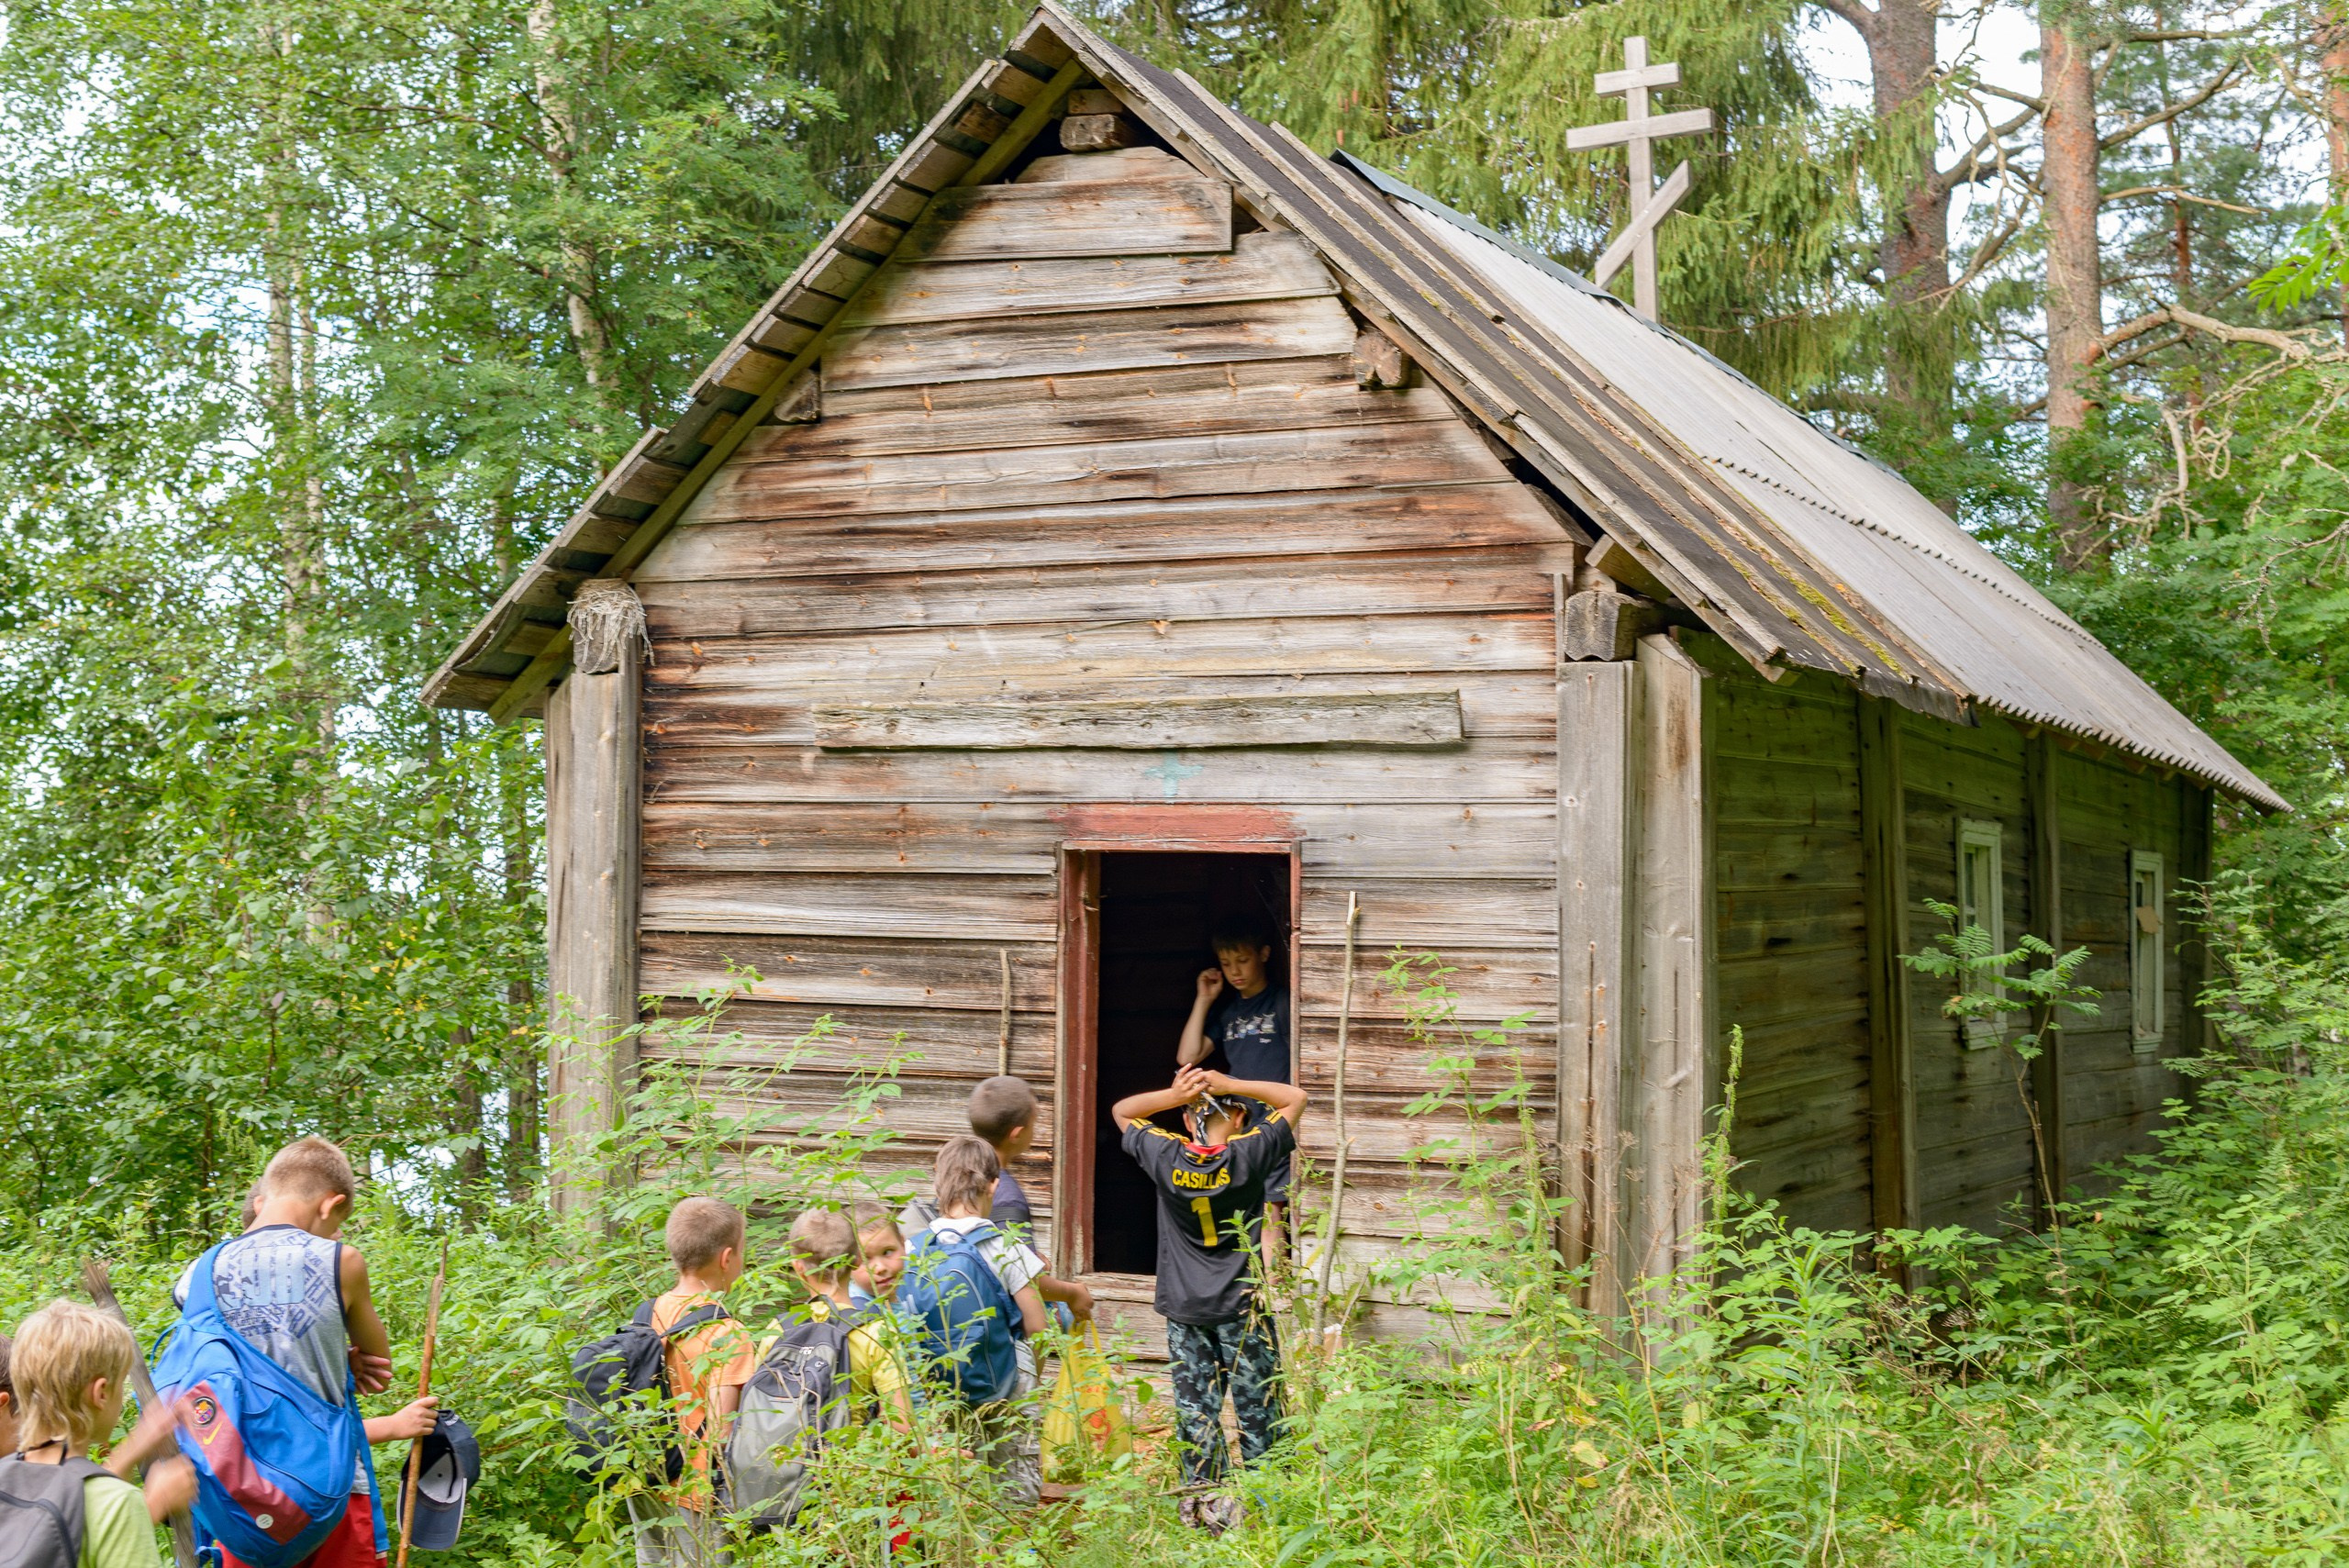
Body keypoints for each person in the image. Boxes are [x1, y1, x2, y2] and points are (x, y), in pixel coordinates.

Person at [169, 1137, 410, 1568]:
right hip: (329, 1487)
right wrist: (343, 1361)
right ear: (329, 1204)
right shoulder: (341, 1261)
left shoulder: (199, 1271)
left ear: (262, 1199)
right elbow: (378, 1366)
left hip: (238, 1488)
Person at [1112, 1064, 1306, 1534]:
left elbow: (1122, 1111)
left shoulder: (1166, 1154)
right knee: (1259, 1408)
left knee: (1196, 1413)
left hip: (1185, 1308)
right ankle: (1270, 1510)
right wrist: (1232, 1085)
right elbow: (1295, 1099)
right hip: (1242, 1308)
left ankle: (1204, 1513)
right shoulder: (1249, 1154)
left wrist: (1176, 1092)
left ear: (1184, 1120)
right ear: (1239, 1119)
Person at [6, 1300, 195, 1568]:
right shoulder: (118, 1506)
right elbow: (96, 1511)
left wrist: (134, 1448)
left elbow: (61, 1504)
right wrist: (152, 1504)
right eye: (121, 1384)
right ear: (101, 1393)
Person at [635, 1196, 758, 1568]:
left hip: (646, 1480)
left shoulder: (647, 1313)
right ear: (726, 1258)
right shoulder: (728, 1334)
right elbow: (723, 1432)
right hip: (700, 1491)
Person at [1176, 917, 1294, 1265]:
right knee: (1246, 1204)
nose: (1234, 971)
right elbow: (1187, 1056)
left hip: (1273, 1118)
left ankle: (1274, 1287)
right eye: (1227, 964)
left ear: (1264, 954)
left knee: (1271, 1204)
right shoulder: (1229, 1012)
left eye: (1242, 961)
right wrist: (1203, 1000)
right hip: (1241, 1123)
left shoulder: (1282, 1003)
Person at [776, 1209, 914, 1431]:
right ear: (855, 1260)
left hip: (786, 1458)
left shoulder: (778, 1329)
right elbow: (899, 1422)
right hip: (854, 1459)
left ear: (797, 1267)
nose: (878, 1267)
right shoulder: (874, 1331)